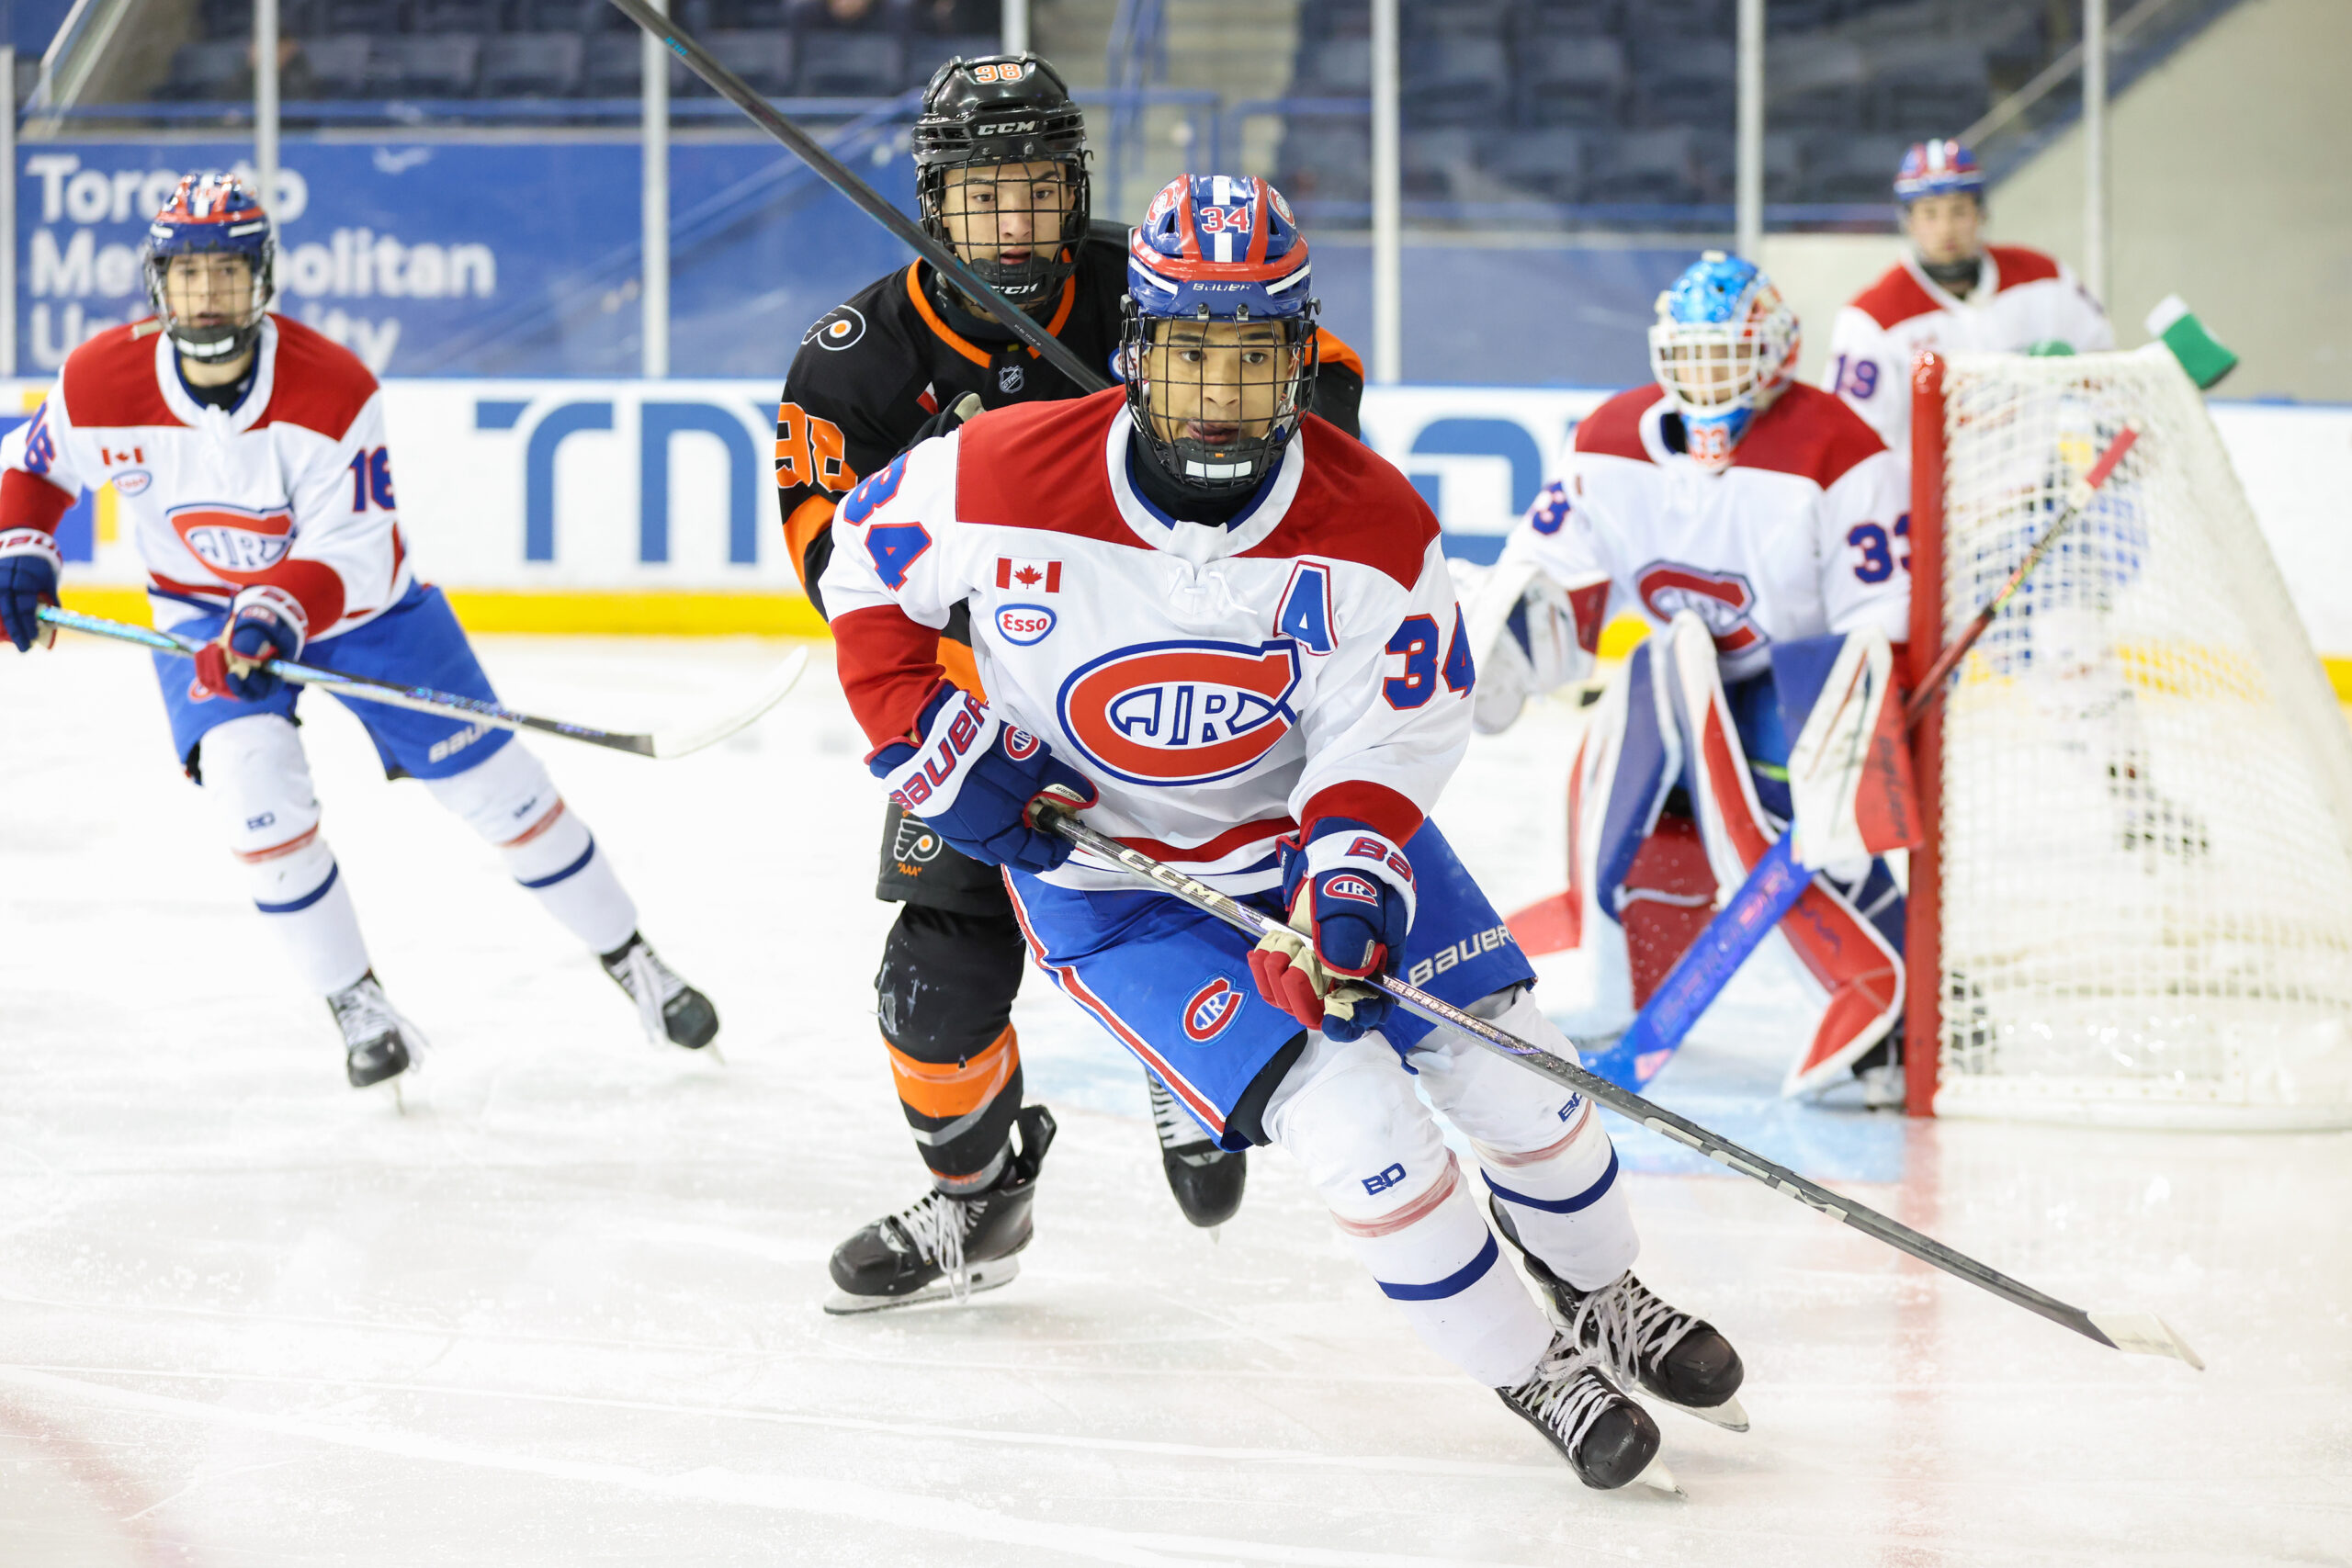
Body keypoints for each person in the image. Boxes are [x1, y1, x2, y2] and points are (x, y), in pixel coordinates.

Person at [818, 173, 1745, 1490]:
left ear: (1299, 358)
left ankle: (1604, 1294)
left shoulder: (1374, 523)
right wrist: (930, 743)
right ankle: (1531, 1364)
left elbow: (1391, 735)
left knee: (1520, 1080)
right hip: (1118, 893)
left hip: (1309, 841)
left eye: (1253, 358)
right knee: (1358, 1124)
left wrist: (1349, 876)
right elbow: (863, 571)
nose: (1218, 394)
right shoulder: (997, 475)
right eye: (1191, 353)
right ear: (1137, 346)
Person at [777, 53, 1367, 1306]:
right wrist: (959, 501)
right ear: (934, 201)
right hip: (983, 711)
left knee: (1201, 904)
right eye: (983, 195)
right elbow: (837, 574)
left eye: (1038, 190)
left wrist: (1186, 432)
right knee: (931, 988)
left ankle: (1177, 1048)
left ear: (1076, 188)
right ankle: (979, 1199)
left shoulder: (1146, 287)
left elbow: (1322, 375)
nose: (1013, 222)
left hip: (1177, 680)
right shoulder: (854, 366)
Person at [0, 174, 717, 1094]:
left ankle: (631, 958)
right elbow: (34, 465)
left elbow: (355, 548)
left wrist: (273, 612)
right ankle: (357, 1003)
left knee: (505, 796)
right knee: (254, 796)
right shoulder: (100, 379)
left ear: (261, 278)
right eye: (188, 273)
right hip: (202, 614)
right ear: (158, 282)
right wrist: (21, 549)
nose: (207, 294)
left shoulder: (333, 386)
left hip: (364, 616)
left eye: (227, 272)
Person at [1459, 254, 1914, 1104]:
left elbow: (1882, 612)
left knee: (1805, 814)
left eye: (1727, 355)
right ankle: (1611, 969)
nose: (1708, 378)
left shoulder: (1840, 447)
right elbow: (1543, 571)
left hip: (1797, 679)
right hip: (1683, 670)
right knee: (1628, 749)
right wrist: (1500, 640)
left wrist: (1854, 725)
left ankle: (1892, 990)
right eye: (1692, 357)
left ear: (1775, 352)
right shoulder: (1607, 440)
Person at [1820, 140, 2113, 454]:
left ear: (1981, 213)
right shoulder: (1871, 319)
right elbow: (1851, 437)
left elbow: (2106, 367)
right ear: (1909, 221)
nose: (1946, 229)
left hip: (2043, 480)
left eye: (1958, 211)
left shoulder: (2046, 278)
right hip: (1931, 487)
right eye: (1929, 214)